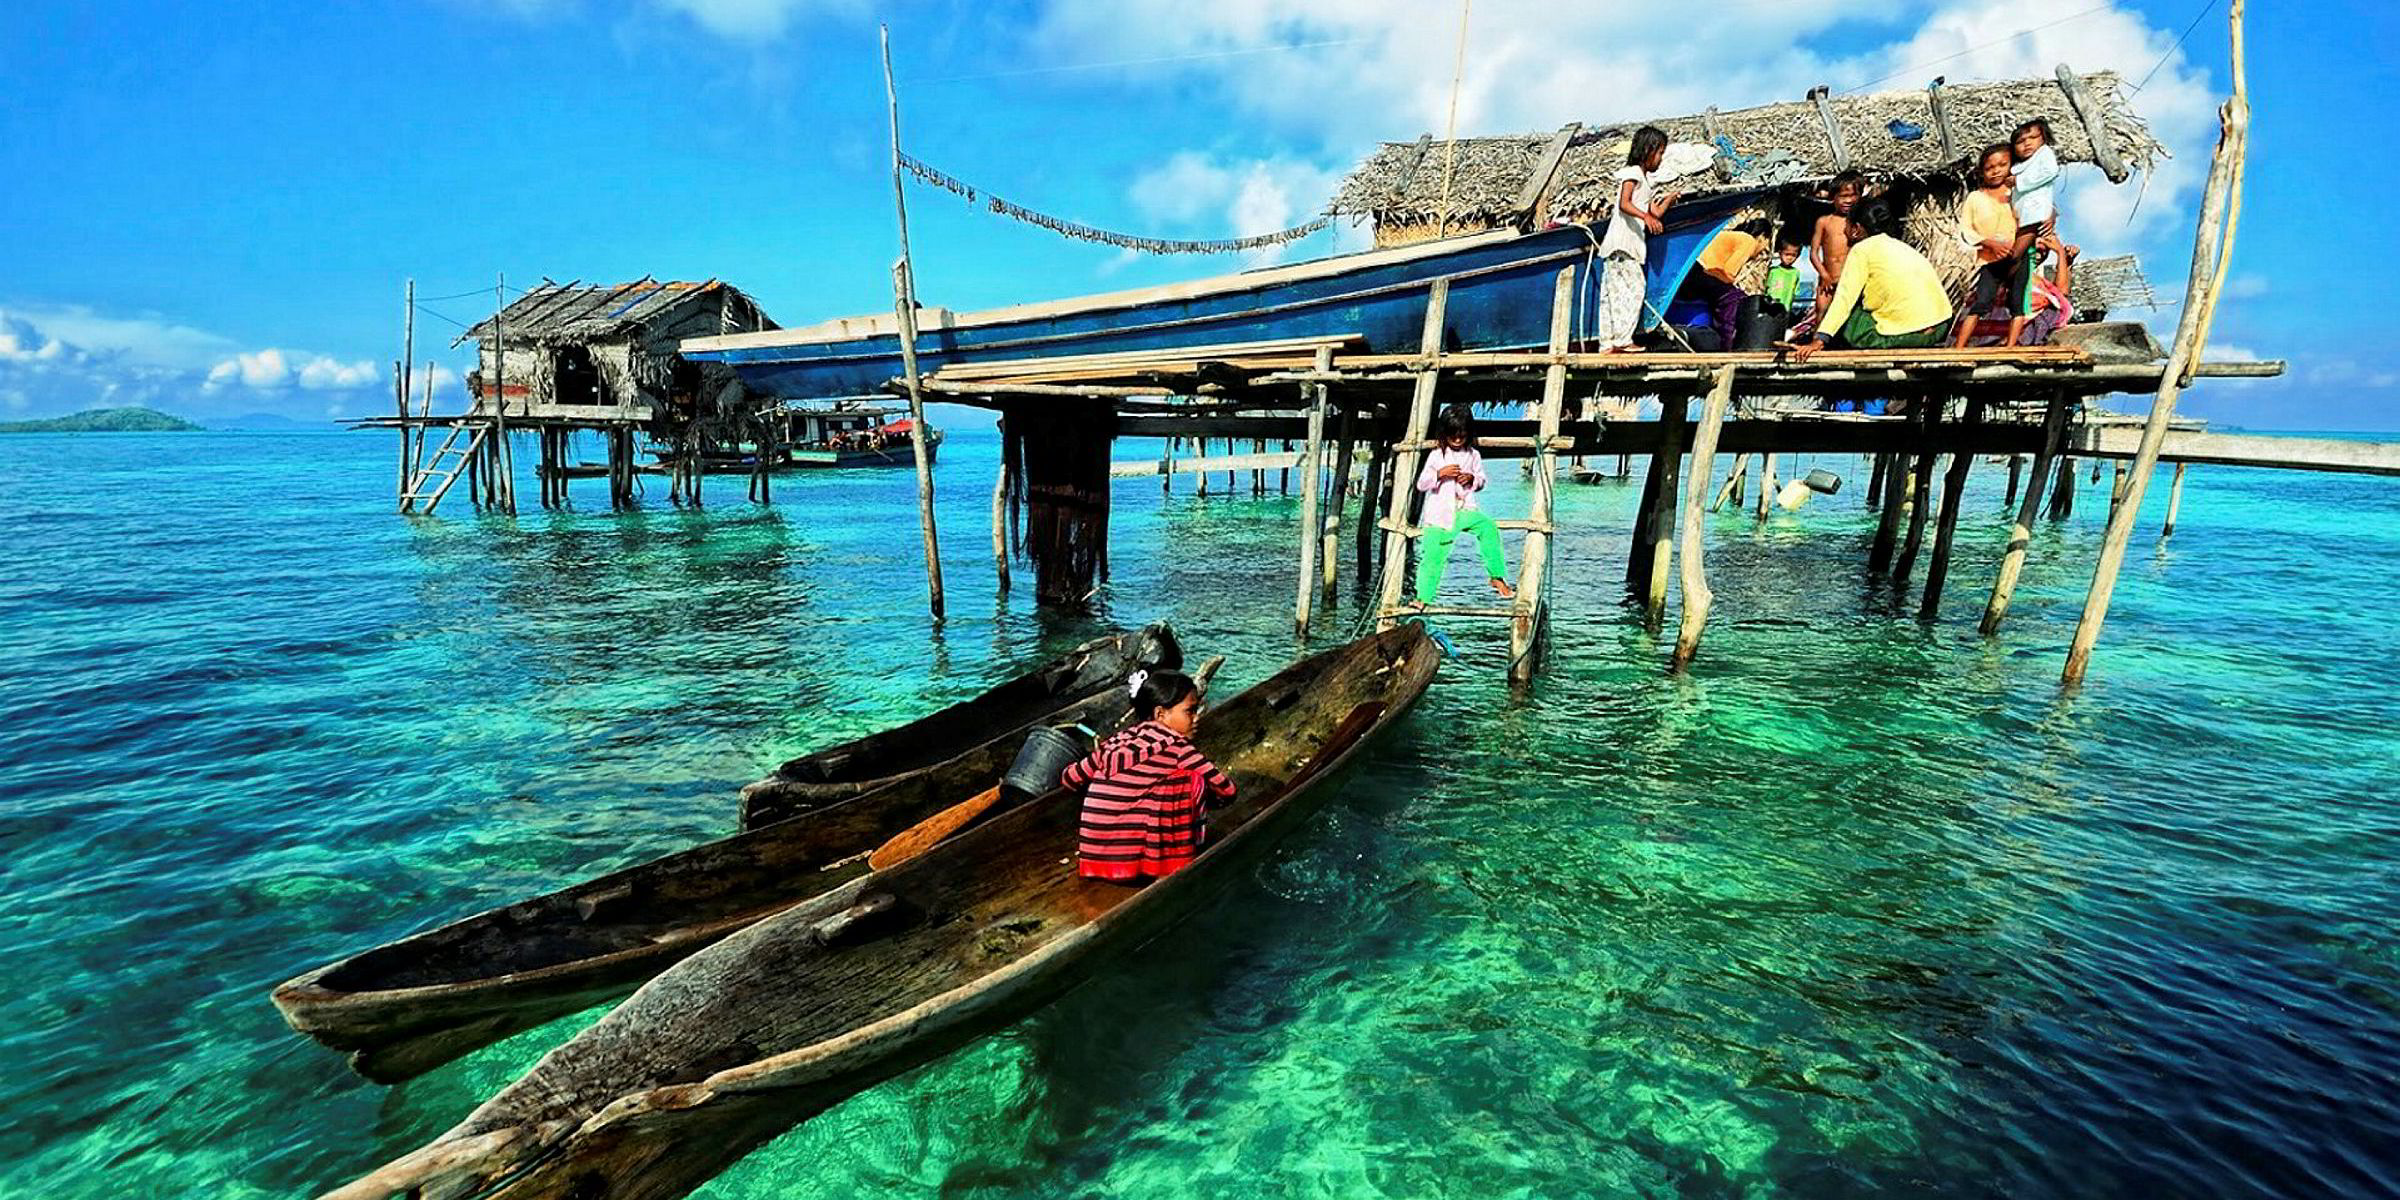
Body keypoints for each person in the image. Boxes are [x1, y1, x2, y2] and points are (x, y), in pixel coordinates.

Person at [1063, 670, 1233, 883]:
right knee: (1193, 781)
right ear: (1160, 714)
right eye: (1190, 711)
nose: (1196, 718)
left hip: (1093, 861)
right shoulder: (1177, 747)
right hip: (1136, 867)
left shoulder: (1115, 742)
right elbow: (1227, 789)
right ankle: (1174, 859)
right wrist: (1207, 803)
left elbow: (1069, 778)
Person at [1787, 197, 1954, 361]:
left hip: (1907, 334)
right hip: (1939, 327)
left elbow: (1844, 298)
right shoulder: (1902, 246)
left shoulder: (1862, 249)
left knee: (1849, 318)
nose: (1844, 233)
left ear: (1856, 229)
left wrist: (1819, 340)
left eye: (1846, 227)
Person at [1414, 406, 1514, 607]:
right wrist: (1440, 474)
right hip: (1439, 515)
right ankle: (1423, 598)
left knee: (1488, 528)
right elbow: (1421, 484)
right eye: (1454, 435)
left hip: (1465, 510)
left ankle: (1497, 576)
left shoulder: (1473, 455)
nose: (1458, 440)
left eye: (1462, 435)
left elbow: (1482, 481)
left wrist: (1472, 479)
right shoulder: (1437, 455)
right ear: (1445, 433)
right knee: (1432, 557)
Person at [1596, 126, 1676, 353]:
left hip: (1624, 246)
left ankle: (1607, 343)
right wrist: (1645, 218)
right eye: (1659, 152)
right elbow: (1625, 203)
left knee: (1611, 294)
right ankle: (1622, 340)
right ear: (1648, 151)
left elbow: (1655, 212)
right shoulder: (1631, 173)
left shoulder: (1646, 182)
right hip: (1624, 245)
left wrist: (1669, 200)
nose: (1661, 158)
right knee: (1633, 289)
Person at [1953, 143, 2026, 347]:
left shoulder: (2019, 193)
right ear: (1981, 172)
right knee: (1982, 301)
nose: (1995, 171)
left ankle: (2010, 347)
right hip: (1990, 260)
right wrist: (1990, 243)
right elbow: (1966, 229)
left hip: (2018, 256)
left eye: (2002, 165)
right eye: (1989, 168)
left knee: (2017, 303)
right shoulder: (1975, 198)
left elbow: (2037, 214)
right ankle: (1959, 348)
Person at [1679, 218, 1771, 348]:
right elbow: (1728, 273)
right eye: (1767, 242)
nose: (1765, 249)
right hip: (1699, 272)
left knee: (1730, 295)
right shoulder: (1749, 241)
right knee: (1734, 299)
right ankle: (1729, 345)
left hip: (1691, 274)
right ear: (1762, 237)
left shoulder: (1733, 237)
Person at [1801, 171, 1866, 335]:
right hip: (1828, 279)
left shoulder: (1861, 222)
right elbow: (1814, 253)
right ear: (1833, 198)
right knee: (1821, 313)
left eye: (1853, 195)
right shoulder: (1824, 221)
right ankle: (1817, 348)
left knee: (1852, 315)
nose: (1848, 200)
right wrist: (1824, 274)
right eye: (1843, 196)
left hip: (1851, 280)